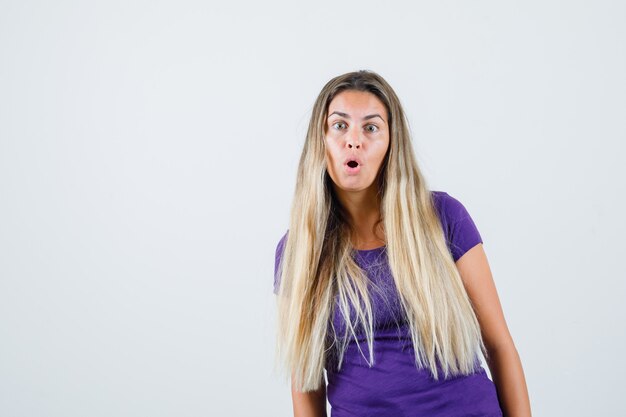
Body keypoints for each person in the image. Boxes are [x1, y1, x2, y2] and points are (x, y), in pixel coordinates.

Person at [273, 70, 531, 417]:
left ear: (392, 144)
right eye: (339, 125)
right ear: (320, 140)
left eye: (371, 127)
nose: (354, 140)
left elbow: (498, 345)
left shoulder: (442, 217)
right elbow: (305, 380)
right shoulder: (298, 251)